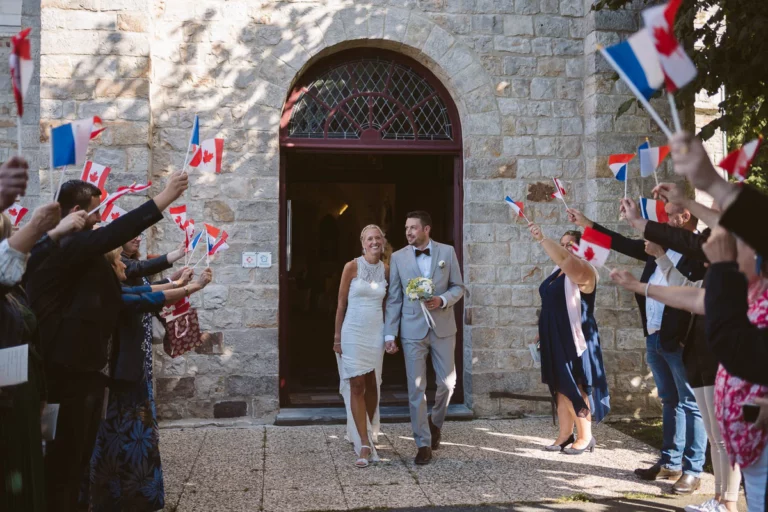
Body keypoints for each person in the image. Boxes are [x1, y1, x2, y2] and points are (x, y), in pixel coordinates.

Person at [25, 172, 188, 512]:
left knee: (76, 457)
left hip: (80, 368)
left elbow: (128, 285)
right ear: (75, 212)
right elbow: (118, 233)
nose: (101, 220)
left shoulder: (72, 249)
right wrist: (164, 197)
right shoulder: (69, 245)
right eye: (96, 212)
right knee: (66, 460)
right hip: (68, 370)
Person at [569, 203, 707, 493]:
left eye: (669, 215)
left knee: (691, 403)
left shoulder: (697, 251)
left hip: (680, 339)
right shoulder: (658, 245)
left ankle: (693, 470)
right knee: (670, 401)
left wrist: (661, 255)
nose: (664, 220)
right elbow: (619, 243)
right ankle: (670, 463)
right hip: (655, 335)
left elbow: (691, 289)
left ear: (684, 217)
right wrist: (586, 223)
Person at [86, 249, 210, 511]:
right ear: (108, 269)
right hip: (120, 379)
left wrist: (178, 282)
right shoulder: (113, 295)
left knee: (130, 439)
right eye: (118, 261)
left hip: (129, 374)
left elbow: (147, 291)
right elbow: (150, 298)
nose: (124, 264)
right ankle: (125, 496)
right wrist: (193, 286)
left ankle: (125, 495)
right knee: (126, 442)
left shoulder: (115, 290)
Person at [0, 201, 73, 512]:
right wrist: (36, 227)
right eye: (9, 238)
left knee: (28, 466)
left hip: (24, 393)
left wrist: (42, 394)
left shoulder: (15, 290)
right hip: (5, 401)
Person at [384, 211, 464, 465]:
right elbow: (395, 298)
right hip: (411, 330)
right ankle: (423, 443)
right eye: (406, 228)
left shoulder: (447, 252)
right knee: (416, 388)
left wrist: (442, 300)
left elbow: (459, 287)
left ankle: (435, 422)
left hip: (443, 327)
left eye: (413, 228)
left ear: (426, 229)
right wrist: (390, 333)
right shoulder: (397, 257)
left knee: (447, 383)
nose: (408, 232)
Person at [527, 225, 610, 454]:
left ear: (583, 249)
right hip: (553, 334)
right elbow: (550, 305)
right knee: (559, 385)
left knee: (576, 383)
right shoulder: (557, 272)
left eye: (569, 245)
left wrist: (543, 238)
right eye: (561, 244)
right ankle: (564, 435)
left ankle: (585, 436)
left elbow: (568, 263)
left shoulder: (585, 271)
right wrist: (540, 333)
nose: (564, 249)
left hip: (575, 336)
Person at [333, 225, 390, 467]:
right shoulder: (351, 266)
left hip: (376, 333)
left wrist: (390, 335)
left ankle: (368, 428)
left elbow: (389, 306)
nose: (374, 242)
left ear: (383, 243)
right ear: (362, 243)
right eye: (370, 238)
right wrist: (337, 337)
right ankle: (363, 443)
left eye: (378, 238)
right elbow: (340, 304)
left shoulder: (387, 270)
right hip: (353, 331)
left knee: (372, 383)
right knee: (356, 384)